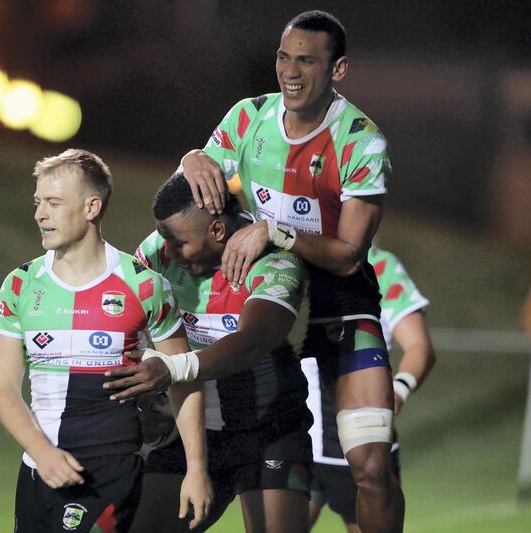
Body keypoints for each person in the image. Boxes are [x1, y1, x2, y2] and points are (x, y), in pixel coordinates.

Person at [177, 10, 404, 532]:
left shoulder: (360, 139)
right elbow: (194, 194)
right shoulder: (246, 118)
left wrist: (274, 232)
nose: (291, 71)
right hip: (258, 306)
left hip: (338, 311)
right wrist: (192, 157)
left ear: (338, 69)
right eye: (284, 56)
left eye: (307, 59)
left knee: (370, 466)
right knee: (220, 454)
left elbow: (349, 254)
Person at [0, 149, 212, 533]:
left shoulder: (144, 285)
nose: (40, 214)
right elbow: (2, 386)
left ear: (92, 207)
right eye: (38, 202)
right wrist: (42, 454)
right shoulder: (20, 284)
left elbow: (185, 380)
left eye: (54, 203)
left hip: (110, 472)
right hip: (38, 472)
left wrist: (196, 468)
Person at [108, 172, 313, 533]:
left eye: (178, 242)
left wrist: (172, 368)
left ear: (217, 231)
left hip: (269, 430)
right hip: (192, 431)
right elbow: (119, 316)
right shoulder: (161, 250)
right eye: (164, 238)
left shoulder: (276, 260)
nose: (166, 249)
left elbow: (254, 341)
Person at [304, 245, 436, 532]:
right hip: (297, 443)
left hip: (363, 447)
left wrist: (399, 389)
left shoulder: (377, 264)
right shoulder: (288, 259)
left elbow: (419, 347)